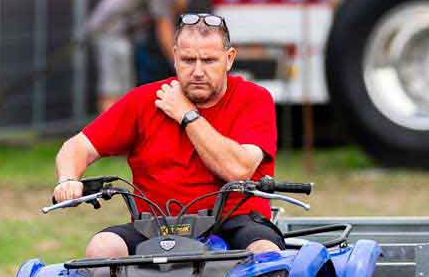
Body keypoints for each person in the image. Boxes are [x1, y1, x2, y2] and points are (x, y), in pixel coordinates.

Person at [53, 13, 285, 258]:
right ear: (174, 57)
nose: (197, 71)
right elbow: (78, 146)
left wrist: (187, 115)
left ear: (229, 59)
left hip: (235, 221)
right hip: (155, 224)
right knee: (102, 248)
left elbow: (238, 169)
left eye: (208, 61)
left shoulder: (254, 99)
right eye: (188, 60)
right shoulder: (143, 100)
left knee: (264, 253)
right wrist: (67, 179)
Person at [85, 0, 201, 113]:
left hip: (107, 29)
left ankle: (119, 134)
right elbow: (164, 28)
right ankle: (108, 135)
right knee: (114, 90)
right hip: (112, 33)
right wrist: (179, 62)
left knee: (120, 89)